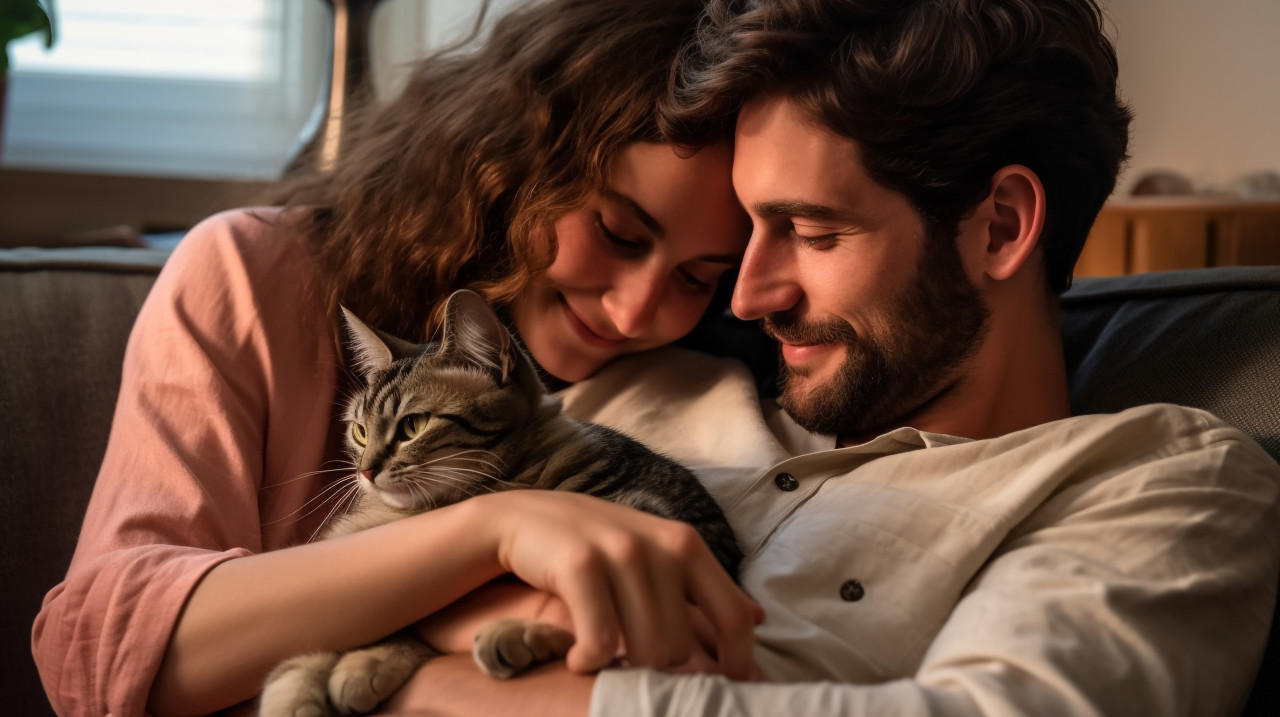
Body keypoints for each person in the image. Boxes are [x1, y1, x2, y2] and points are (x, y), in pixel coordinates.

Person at [377, 0, 1280, 714]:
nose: (744, 295)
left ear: (998, 226)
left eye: (810, 230)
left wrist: (420, 686)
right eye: (748, 236)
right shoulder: (643, 383)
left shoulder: (1153, 482)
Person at [30, 1, 763, 715]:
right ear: (512, 160)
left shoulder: (716, 388)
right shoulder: (253, 274)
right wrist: (490, 533)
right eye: (616, 232)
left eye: (698, 277)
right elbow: (102, 653)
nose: (633, 309)